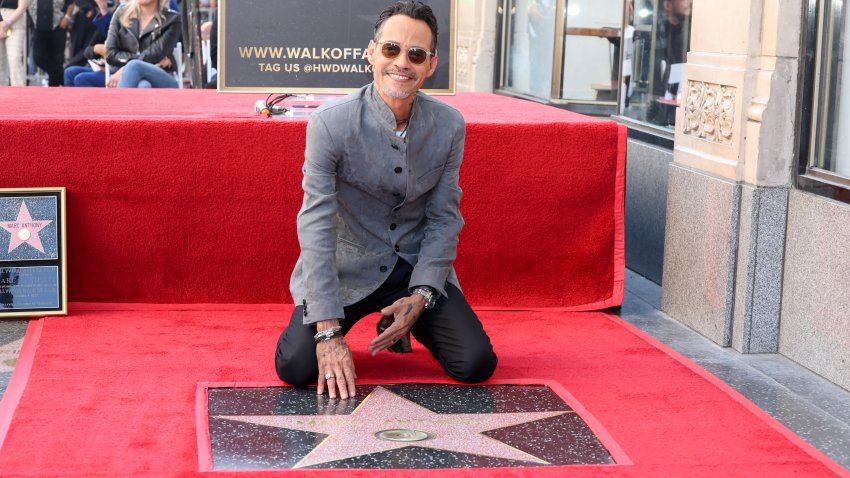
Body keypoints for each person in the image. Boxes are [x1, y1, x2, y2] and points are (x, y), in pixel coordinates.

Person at [275, 0, 498, 400]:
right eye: (391, 49)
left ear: (431, 64)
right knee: (296, 367)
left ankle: (399, 318)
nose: (402, 63)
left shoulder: (449, 126)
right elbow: (316, 225)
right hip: (346, 271)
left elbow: (445, 218)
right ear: (371, 52)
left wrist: (423, 294)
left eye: (416, 54)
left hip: (411, 268)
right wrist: (327, 330)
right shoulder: (330, 122)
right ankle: (345, 324)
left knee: (476, 362)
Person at [104, 0, 180, 88]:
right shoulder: (121, 13)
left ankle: (119, 102)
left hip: (162, 77)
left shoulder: (172, 20)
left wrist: (125, 69)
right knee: (143, 86)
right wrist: (129, 69)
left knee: (134, 66)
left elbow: (153, 55)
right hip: (126, 79)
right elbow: (110, 54)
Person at [28, 0, 73, 86]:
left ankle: (54, 89)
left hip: (58, 27)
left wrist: (67, 17)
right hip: (38, 27)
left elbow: (71, 3)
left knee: (57, 59)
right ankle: (62, 77)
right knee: (38, 58)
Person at [0, 0, 27, 86]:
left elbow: (22, 7)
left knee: (14, 59)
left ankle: (20, 93)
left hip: (16, 22)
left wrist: (6, 23)